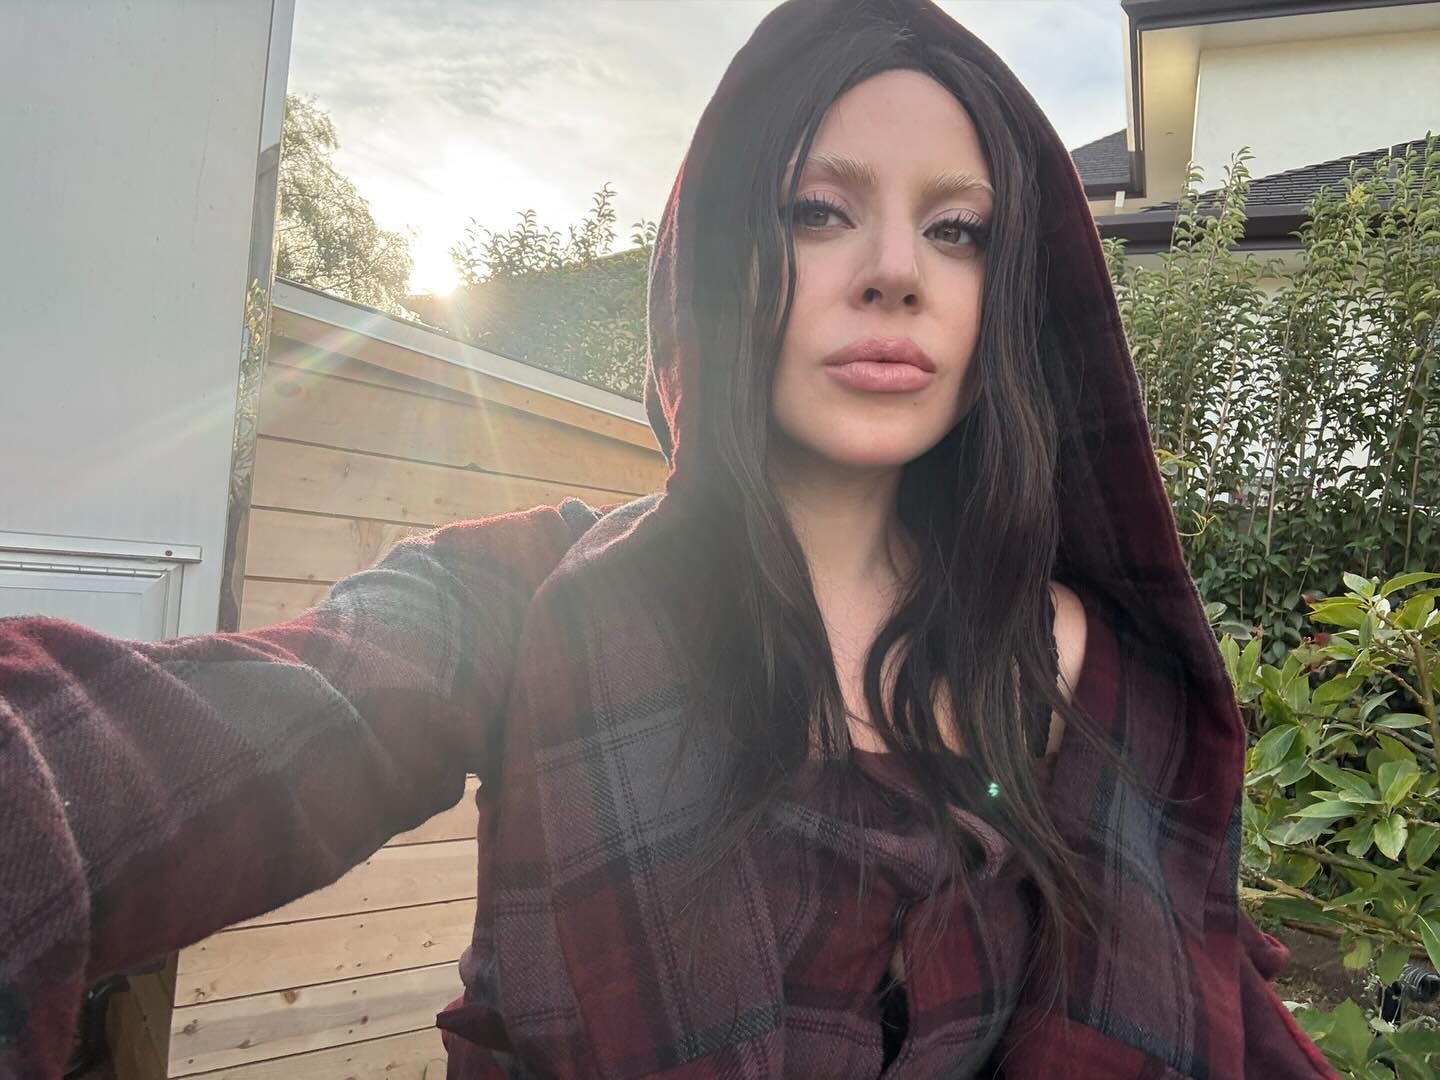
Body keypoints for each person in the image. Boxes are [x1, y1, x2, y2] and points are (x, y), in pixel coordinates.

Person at [0, 1, 1336, 1076]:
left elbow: (1208, 1003)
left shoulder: (1090, 672)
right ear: (715, 264)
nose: (895, 271)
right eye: (818, 210)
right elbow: (178, 742)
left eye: (957, 229)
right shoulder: (528, 599)